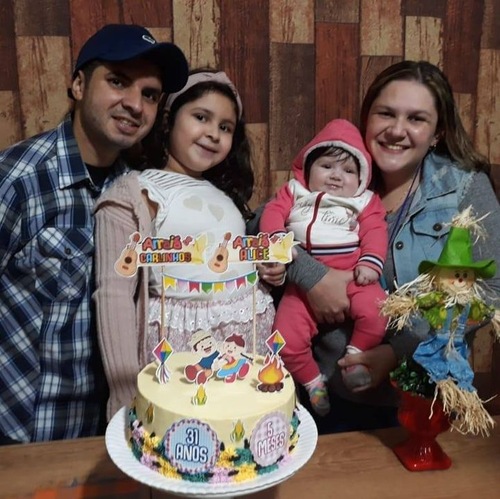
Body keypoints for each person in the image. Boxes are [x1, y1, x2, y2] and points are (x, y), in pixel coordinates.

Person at [254, 60, 500, 433]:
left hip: (419, 396)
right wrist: (312, 276)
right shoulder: (340, 166)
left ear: (437, 132)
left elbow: (490, 290)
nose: (397, 130)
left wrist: (396, 352)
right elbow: (261, 221)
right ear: (367, 119)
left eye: (416, 119)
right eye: (386, 113)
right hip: (327, 392)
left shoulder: (463, 187)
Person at [0, 24, 189, 445]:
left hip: (114, 430)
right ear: (79, 84)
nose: (134, 104)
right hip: (23, 434)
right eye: (118, 81)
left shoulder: (140, 194)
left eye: (150, 94)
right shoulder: (18, 180)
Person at [93, 70, 276, 419]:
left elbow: (227, 260)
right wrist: (123, 388)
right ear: (169, 121)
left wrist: (266, 270)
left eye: (225, 127)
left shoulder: (226, 196)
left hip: (245, 339)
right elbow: (114, 294)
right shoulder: (139, 192)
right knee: (184, 431)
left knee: (236, 430)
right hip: (182, 344)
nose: (213, 133)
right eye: (201, 117)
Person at [260, 119, 388, 415]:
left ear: (361, 178)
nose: (336, 175)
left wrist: (370, 261)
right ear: (308, 169)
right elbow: (272, 213)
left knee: (378, 310)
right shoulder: (294, 192)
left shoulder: (364, 201)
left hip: (353, 273)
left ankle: (355, 357)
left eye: (348, 171)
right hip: (301, 286)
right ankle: (313, 382)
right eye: (326, 166)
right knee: (284, 340)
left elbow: (375, 230)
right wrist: (277, 242)